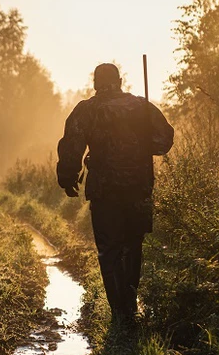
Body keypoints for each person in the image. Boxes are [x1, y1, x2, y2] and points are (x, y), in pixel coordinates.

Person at [56, 63, 174, 327]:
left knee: (109, 249)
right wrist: (142, 140)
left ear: (96, 82)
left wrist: (67, 178)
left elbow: (72, 146)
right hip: (138, 187)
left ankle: (118, 313)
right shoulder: (142, 107)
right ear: (119, 81)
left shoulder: (87, 110)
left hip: (104, 190)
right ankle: (130, 307)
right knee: (133, 245)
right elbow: (164, 141)